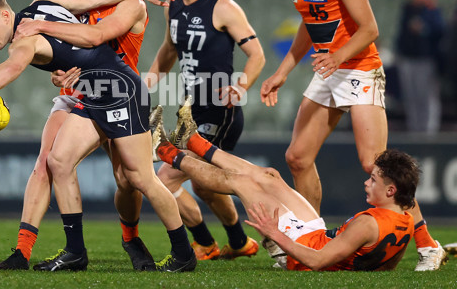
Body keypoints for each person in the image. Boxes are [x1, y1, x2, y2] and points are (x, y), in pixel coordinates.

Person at [259, 0, 446, 271]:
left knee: (375, 164)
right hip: (330, 70)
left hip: (359, 69)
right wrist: (282, 71)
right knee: (297, 157)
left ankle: (428, 245)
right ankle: (309, 238)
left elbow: (370, 29)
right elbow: (308, 27)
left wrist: (337, 57)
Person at [0, 0, 196, 273]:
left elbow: (13, 66)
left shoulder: (24, 40)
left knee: (140, 178)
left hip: (121, 91)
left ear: (4, 15)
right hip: (92, 93)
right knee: (58, 160)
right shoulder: (41, 2)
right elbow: (89, 1)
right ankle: (75, 252)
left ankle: (184, 254)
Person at [0, 0, 165, 272]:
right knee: (47, 161)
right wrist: (57, 74)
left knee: (128, 179)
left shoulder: (132, 4)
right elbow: (58, 50)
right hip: (76, 95)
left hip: (116, 95)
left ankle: (131, 238)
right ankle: (22, 251)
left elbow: (96, 37)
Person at [154, 105, 433, 271]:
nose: (366, 182)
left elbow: (318, 262)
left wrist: (277, 236)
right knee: (270, 176)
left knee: (239, 182)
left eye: (374, 180)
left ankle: (163, 149)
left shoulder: (369, 224)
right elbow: (387, 263)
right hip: (315, 234)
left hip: (297, 247)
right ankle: (192, 140)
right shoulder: (406, 220)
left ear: (391, 191)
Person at [145, 0, 265, 260]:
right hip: (191, 109)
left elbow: (256, 54)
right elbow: (171, 47)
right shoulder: (174, 7)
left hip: (219, 108)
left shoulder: (222, 7)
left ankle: (205, 242)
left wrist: (242, 84)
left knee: (165, 179)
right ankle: (239, 243)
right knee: (204, 186)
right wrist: (154, 74)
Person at [395, 0, 445, 133]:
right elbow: (401, 34)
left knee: (427, 97)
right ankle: (415, 130)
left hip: (426, 60)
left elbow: (440, 31)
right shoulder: (407, 9)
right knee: (411, 97)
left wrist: (423, 29)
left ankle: (429, 132)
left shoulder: (432, 10)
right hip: (408, 59)